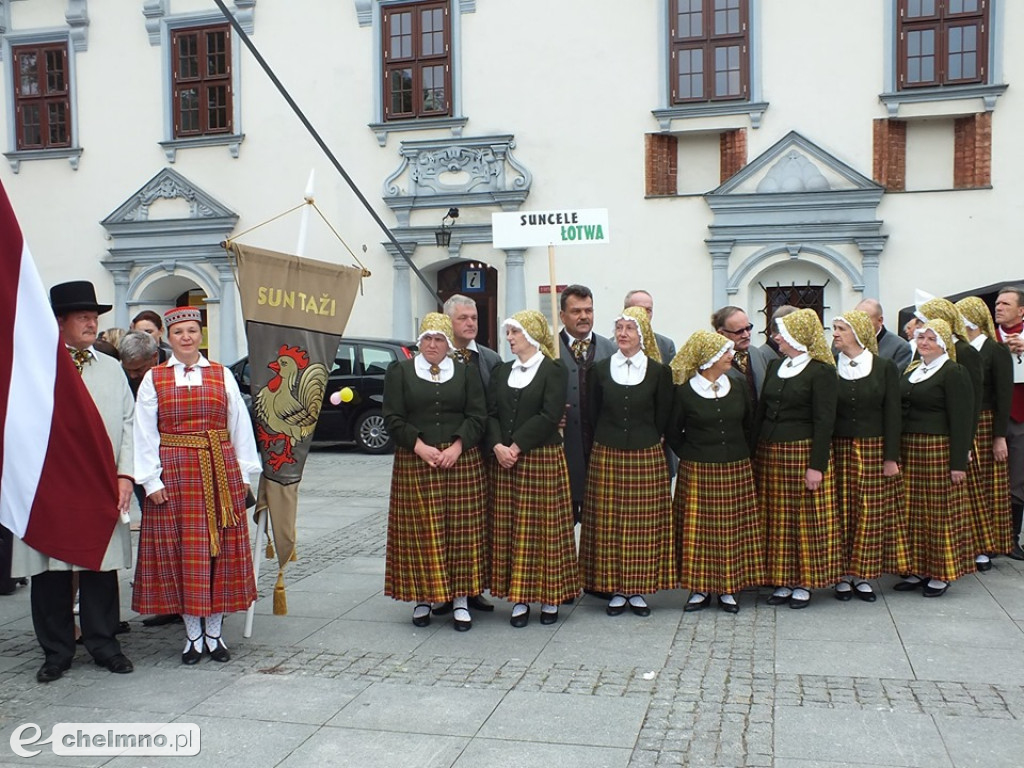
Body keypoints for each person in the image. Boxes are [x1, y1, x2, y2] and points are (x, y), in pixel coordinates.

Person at [11, 281, 135, 683]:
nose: (92, 323)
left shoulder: (112, 368)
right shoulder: (35, 369)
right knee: (50, 571)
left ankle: (104, 644)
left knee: (100, 565)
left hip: (101, 482)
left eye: (94, 316)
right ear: (59, 321)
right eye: (82, 316)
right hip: (50, 485)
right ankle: (57, 651)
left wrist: (126, 474)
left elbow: (130, 425)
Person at [132, 307, 261, 664]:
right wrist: (150, 480)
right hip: (175, 472)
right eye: (179, 333)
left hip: (220, 469)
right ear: (168, 338)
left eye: (192, 331)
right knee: (183, 552)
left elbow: (239, 424)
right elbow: (143, 432)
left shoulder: (221, 375)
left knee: (217, 553)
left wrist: (243, 474)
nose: (186, 337)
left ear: (200, 335)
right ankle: (192, 636)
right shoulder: (154, 378)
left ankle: (215, 634)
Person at [382, 313, 488, 631]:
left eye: (439, 339)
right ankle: (423, 599)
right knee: (421, 531)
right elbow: (392, 416)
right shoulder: (400, 371)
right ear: (419, 341)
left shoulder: (466, 372)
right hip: (417, 459)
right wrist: (419, 446)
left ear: (448, 344)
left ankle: (459, 600)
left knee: (461, 530)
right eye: (427, 338)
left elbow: (477, 415)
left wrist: (457, 446)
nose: (432, 344)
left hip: (460, 459)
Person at [486, 311, 580, 627]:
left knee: (546, 530)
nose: (509, 338)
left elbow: (550, 413)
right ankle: (520, 598)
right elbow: (492, 413)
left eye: (514, 332)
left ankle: (550, 596)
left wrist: (516, 446)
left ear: (531, 334)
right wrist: (498, 445)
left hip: (540, 457)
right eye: (508, 332)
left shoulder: (553, 369)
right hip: (506, 462)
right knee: (514, 530)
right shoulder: (501, 371)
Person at [579, 307, 674, 617]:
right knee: (610, 522)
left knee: (643, 524)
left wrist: (648, 437)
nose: (622, 334)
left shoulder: (659, 372)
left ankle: (638, 588)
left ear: (642, 334)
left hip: (646, 454)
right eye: (618, 328)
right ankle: (616, 588)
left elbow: (663, 415)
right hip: (608, 452)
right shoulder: (600, 369)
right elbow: (592, 413)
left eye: (628, 329)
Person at [667, 330, 764, 614]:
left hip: (735, 466)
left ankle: (728, 587)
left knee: (731, 529)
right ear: (709, 358)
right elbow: (673, 430)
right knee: (699, 530)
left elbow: (749, 424)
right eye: (725, 352)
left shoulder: (737, 385)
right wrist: (691, 453)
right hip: (698, 469)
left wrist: (742, 453)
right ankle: (699, 588)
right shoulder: (685, 392)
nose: (730, 356)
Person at [755, 308, 840, 609]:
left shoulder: (821, 371)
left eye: (782, 332)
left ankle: (804, 581)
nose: (776, 337)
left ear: (797, 335)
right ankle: (782, 578)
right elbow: (762, 410)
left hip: (802, 450)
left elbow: (824, 421)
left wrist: (816, 466)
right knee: (777, 517)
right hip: (771, 451)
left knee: (803, 519)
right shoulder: (777, 366)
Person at [830, 311, 909, 602]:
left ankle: (862, 574)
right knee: (840, 509)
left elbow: (892, 411)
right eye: (835, 328)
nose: (835, 333)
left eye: (841, 329)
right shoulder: (830, 365)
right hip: (838, 448)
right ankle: (840, 574)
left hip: (873, 447)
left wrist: (891, 456)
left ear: (858, 333)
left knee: (869, 511)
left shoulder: (884, 367)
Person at [893, 320, 974, 597]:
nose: (924, 342)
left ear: (943, 342)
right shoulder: (913, 368)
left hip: (937, 449)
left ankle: (940, 571)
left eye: (930, 338)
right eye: (920, 337)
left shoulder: (954, 371)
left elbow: (961, 418)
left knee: (938, 512)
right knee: (913, 510)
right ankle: (917, 568)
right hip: (910, 448)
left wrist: (958, 464)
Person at [434, 293, 499, 616]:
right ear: (449, 322)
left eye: (474, 318)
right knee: (445, 526)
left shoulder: (490, 358)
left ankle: (474, 589)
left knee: (477, 528)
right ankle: (444, 589)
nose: (471, 323)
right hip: (445, 453)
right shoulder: (437, 358)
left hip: (483, 455)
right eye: (463, 318)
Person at [956, 297, 1014, 570]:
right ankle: (971, 541)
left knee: (987, 485)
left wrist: (999, 435)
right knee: (969, 485)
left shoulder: (995, 350)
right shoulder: (962, 350)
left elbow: (1004, 396)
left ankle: (987, 545)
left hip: (987, 422)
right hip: (967, 420)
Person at [558, 284, 616, 523]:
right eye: (576, 311)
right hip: (564, 454)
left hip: (600, 453)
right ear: (562, 315)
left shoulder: (610, 349)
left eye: (588, 310)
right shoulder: (548, 349)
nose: (584, 316)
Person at [625, 289, 679, 479]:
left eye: (649, 310)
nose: (645, 315)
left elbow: (672, 392)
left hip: (659, 437)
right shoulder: (612, 346)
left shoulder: (665, 345)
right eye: (639, 309)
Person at [993, 286, 1024, 560]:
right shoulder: (989, 338)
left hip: (1021, 415)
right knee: (992, 479)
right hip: (992, 416)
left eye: (1005, 304)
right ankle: (989, 538)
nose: (998, 307)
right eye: (997, 303)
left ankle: (1011, 538)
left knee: (1017, 479)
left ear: (1021, 310)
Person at [712, 305, 777, 406]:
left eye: (748, 328)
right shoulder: (712, 362)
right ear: (721, 333)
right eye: (739, 332)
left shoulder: (758, 354)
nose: (746, 335)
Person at [855, 298, 913, 372]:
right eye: (856, 319)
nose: (859, 324)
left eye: (865, 320)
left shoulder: (899, 347)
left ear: (880, 320)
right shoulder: (846, 342)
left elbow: (895, 379)